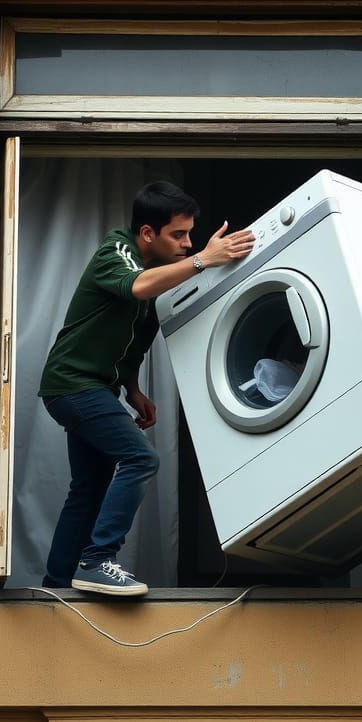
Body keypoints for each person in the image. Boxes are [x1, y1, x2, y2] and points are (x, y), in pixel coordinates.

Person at [38, 181, 255, 595]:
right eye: (179, 235)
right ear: (147, 234)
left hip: (92, 388)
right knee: (140, 459)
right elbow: (135, 287)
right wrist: (205, 261)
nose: (188, 244)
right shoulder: (116, 251)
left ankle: (57, 582)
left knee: (88, 487)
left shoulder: (157, 277)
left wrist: (133, 389)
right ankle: (98, 560)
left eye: (191, 235)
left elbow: (134, 338)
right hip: (73, 386)